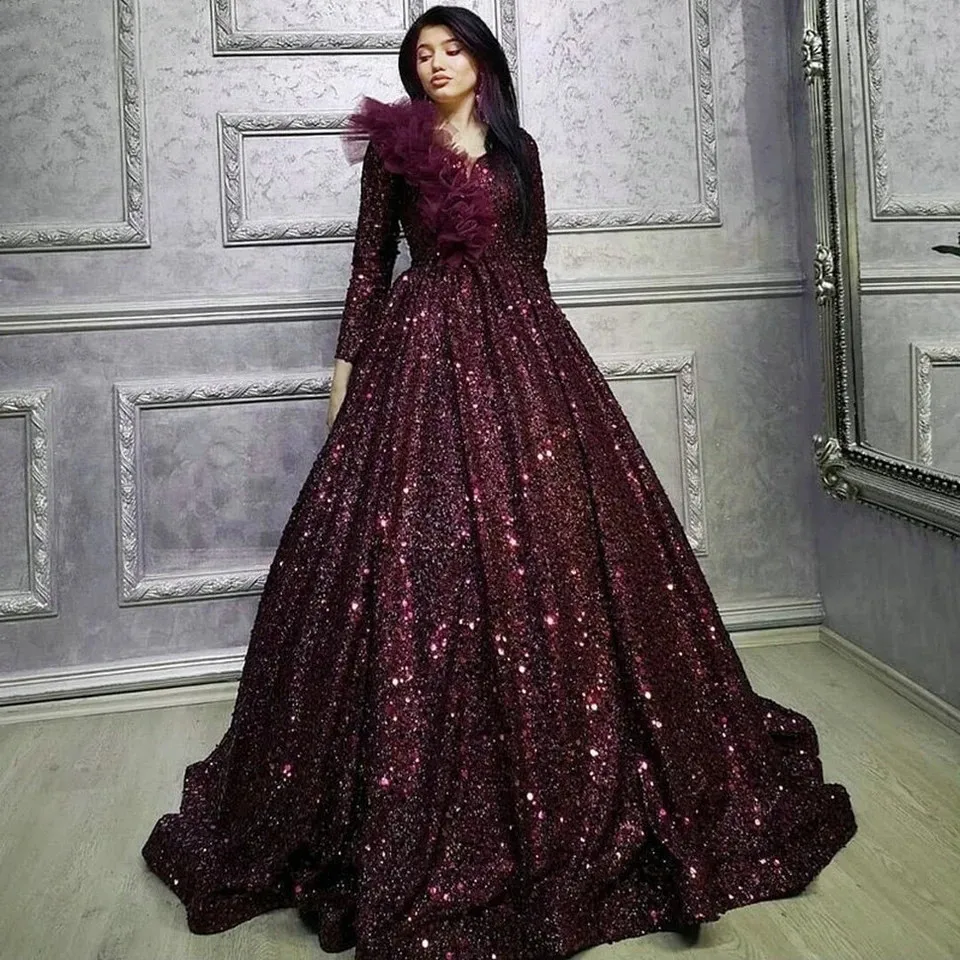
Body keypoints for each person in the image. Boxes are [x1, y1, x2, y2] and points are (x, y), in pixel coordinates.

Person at [141, 6, 857, 958]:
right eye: (421, 54)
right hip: (418, 355)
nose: (435, 63)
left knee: (559, 544)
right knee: (418, 555)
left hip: (525, 345)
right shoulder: (394, 154)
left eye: (451, 49)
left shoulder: (521, 151)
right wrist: (344, 377)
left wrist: (544, 364)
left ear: (482, 61)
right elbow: (367, 271)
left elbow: (535, 260)